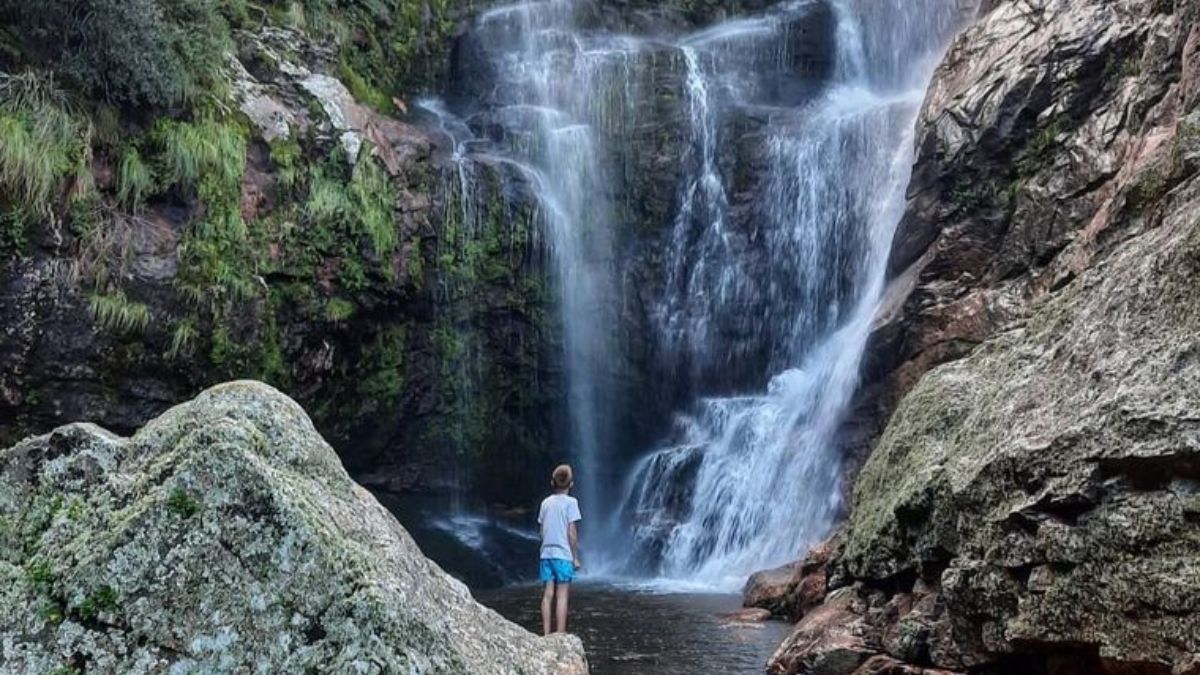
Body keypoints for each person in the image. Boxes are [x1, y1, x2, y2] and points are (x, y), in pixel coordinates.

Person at [538, 464, 582, 635]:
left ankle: (547, 633)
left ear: (552, 483)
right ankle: (561, 634)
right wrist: (575, 557)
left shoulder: (545, 503)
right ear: (571, 484)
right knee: (562, 595)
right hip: (563, 554)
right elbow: (571, 532)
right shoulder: (571, 503)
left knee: (547, 594)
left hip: (546, 554)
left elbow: (542, 530)